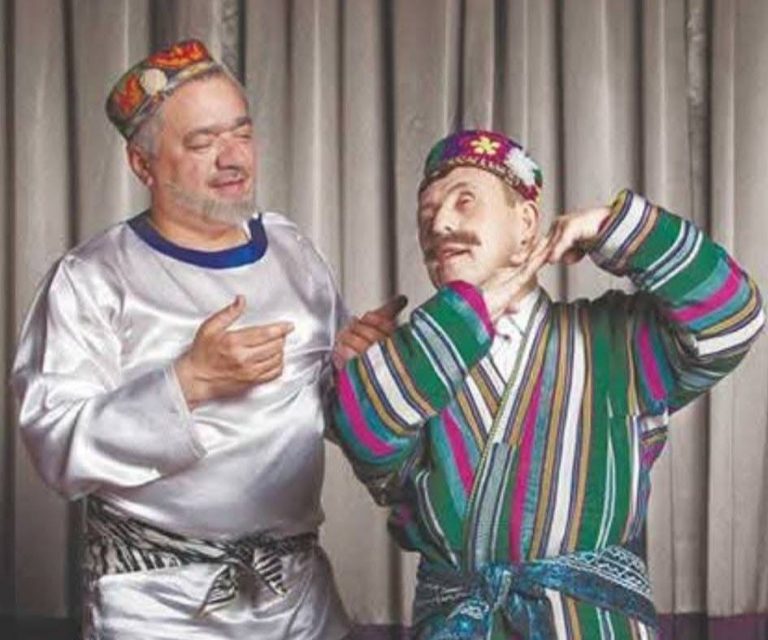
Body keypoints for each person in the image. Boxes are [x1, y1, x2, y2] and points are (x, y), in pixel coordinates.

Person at [331, 129, 765, 638]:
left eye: (464, 201)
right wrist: (366, 373)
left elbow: (733, 318)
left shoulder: (615, 340)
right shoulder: (412, 364)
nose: (439, 224)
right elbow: (371, 444)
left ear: (526, 224)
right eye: (426, 215)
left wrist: (613, 229)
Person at [11, 40, 353, 639]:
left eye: (242, 133)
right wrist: (187, 383)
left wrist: (358, 371)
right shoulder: (93, 278)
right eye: (202, 143)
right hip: (157, 603)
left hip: (297, 597)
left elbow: (324, 406)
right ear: (142, 165)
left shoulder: (292, 250)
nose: (233, 158)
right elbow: (54, 445)